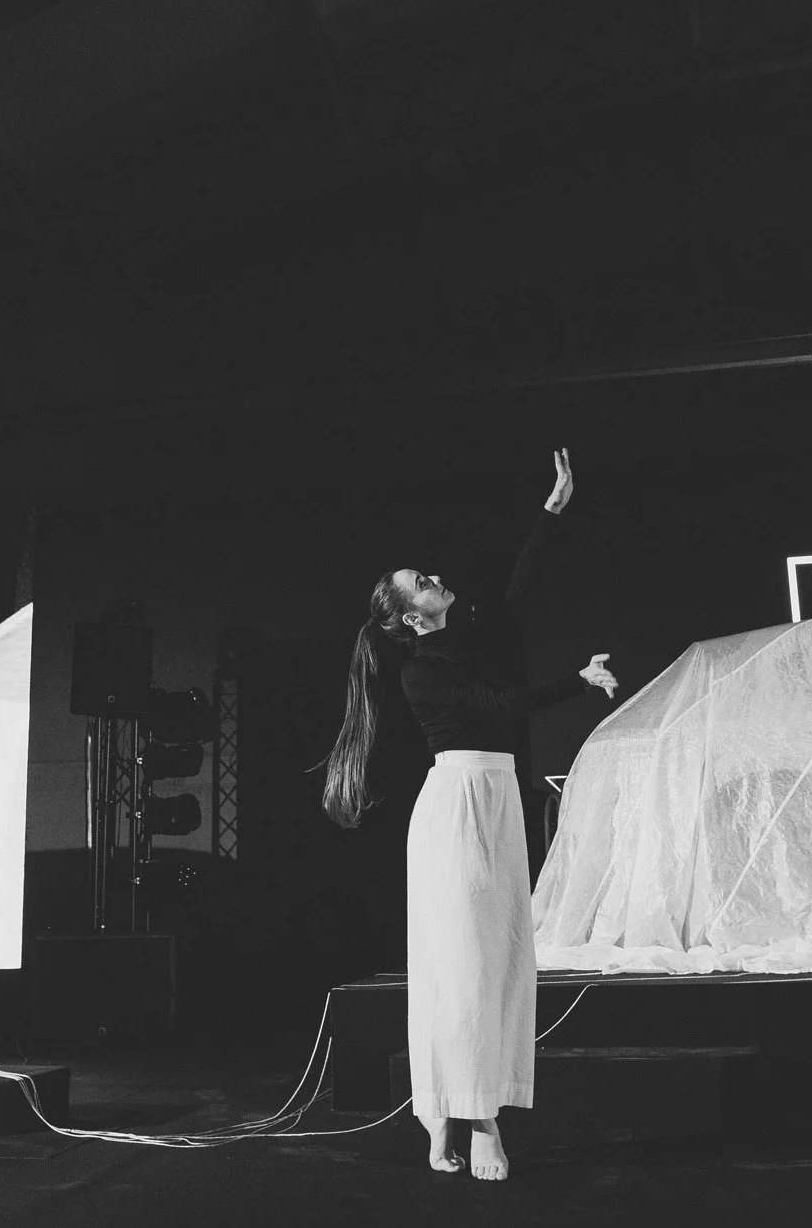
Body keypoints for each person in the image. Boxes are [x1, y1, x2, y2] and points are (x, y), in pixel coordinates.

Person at [316, 448, 617, 1181]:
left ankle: (460, 1111)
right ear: (409, 615)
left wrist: (551, 511)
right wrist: (577, 682)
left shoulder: (470, 632)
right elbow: (498, 709)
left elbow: (517, 591)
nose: (435, 578)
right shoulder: (422, 671)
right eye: (421, 582)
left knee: (500, 957)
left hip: (499, 797)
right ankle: (467, 1119)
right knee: (458, 962)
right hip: (456, 808)